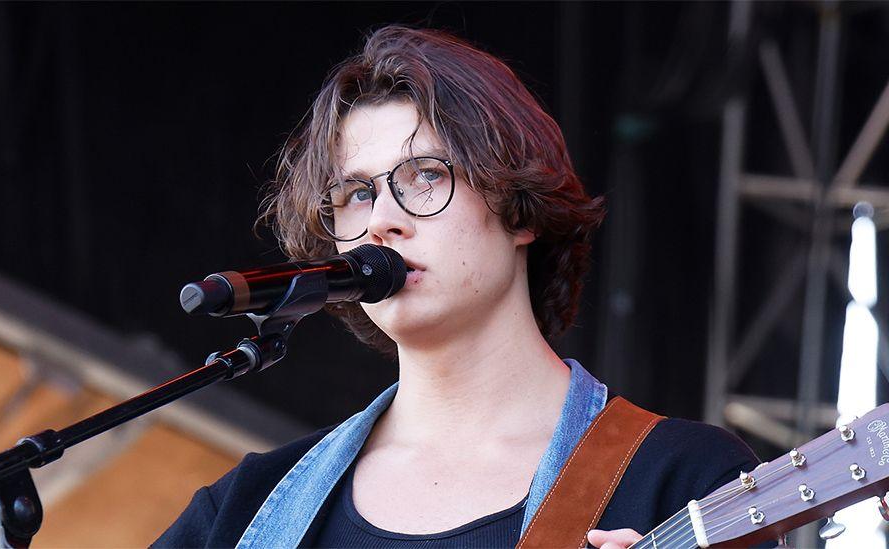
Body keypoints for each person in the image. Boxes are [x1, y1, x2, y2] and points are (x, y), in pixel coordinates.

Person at [154, 26, 760, 549]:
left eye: (423, 176)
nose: (382, 219)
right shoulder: (243, 511)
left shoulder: (687, 482)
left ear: (520, 208)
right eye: (358, 193)